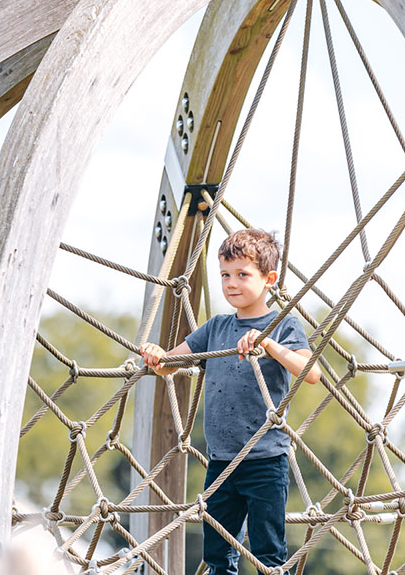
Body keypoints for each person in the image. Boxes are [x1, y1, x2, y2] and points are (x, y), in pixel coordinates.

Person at [140, 229, 321, 575]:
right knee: (218, 554)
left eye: (242, 275)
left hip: (265, 460)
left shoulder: (280, 325)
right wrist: (155, 355)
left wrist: (268, 345)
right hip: (220, 461)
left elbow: (311, 373)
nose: (231, 283)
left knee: (269, 552)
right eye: (225, 275)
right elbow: (168, 365)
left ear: (269, 280)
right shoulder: (216, 328)